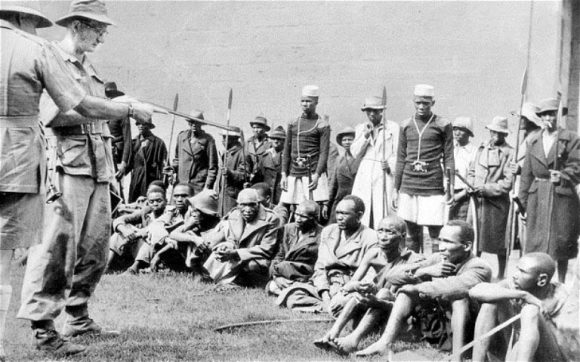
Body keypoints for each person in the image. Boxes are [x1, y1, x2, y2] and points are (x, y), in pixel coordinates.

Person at [11, 1, 156, 356]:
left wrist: (117, 105)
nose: (103, 37)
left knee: (96, 248)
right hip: (66, 168)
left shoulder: (88, 67)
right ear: (78, 25)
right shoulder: (48, 58)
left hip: (98, 168)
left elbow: (94, 109)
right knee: (56, 249)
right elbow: (53, 115)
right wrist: (120, 109)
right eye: (99, 29)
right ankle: (43, 329)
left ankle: (77, 316)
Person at [356, 220, 491, 360]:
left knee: (459, 300)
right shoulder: (439, 258)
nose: (441, 247)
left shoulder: (479, 267)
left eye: (448, 242)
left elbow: (449, 288)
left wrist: (415, 288)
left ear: (467, 246)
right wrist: (423, 271)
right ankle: (385, 342)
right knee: (407, 293)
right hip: (441, 326)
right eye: (440, 240)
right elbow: (391, 275)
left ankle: (458, 357)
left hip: (469, 332)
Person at [313, 215, 425, 354]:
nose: (383, 237)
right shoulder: (374, 254)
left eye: (389, 232)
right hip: (375, 310)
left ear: (402, 236)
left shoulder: (412, 259)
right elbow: (352, 283)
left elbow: (411, 301)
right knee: (362, 294)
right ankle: (331, 334)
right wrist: (358, 287)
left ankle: (353, 340)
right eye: (380, 231)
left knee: (384, 293)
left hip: (396, 315)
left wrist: (379, 299)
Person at [277, 196, 378, 315]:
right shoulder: (329, 231)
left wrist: (346, 291)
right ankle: (331, 309)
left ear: (359, 215)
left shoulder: (371, 237)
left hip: (350, 288)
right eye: (338, 213)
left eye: (345, 214)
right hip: (328, 285)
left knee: (350, 301)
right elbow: (320, 267)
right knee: (293, 295)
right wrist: (325, 294)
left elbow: (370, 275)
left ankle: (337, 309)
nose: (339, 217)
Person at [519, 98, 580, 283]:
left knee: (560, 241)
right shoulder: (534, 140)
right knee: (537, 241)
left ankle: (560, 282)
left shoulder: (570, 138)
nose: (548, 118)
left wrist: (563, 175)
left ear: (557, 115)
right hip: (537, 196)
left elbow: (577, 166)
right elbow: (526, 174)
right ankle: (537, 281)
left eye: (551, 114)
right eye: (544, 114)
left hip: (561, 196)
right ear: (540, 118)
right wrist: (522, 203)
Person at [470, 253, 569, 361]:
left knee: (530, 311)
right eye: (517, 269)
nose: (515, 275)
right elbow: (474, 291)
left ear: (542, 280)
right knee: (491, 301)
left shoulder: (561, 297)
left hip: (548, 355)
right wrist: (523, 295)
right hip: (519, 350)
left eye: (522, 272)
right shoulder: (516, 285)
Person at [393, 84, 454, 253]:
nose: (421, 106)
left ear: (432, 103)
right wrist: (395, 189)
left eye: (425, 103)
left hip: (432, 184)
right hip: (409, 183)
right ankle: (414, 266)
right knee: (410, 230)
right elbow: (400, 158)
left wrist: (450, 188)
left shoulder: (443, 124)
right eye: (418, 102)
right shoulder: (405, 125)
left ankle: (436, 267)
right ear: (413, 101)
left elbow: (449, 158)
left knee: (435, 230)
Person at [203, 188, 280, 287]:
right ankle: (214, 277)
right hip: (237, 254)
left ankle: (243, 281)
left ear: (258, 204)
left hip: (257, 257)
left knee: (251, 266)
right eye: (243, 205)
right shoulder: (234, 214)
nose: (247, 209)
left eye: (252, 205)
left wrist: (235, 253)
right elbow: (232, 240)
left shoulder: (271, 219)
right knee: (217, 253)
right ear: (238, 204)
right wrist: (226, 247)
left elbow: (266, 249)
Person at [467, 116, 513, 279]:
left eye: (498, 133)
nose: (494, 135)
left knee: (499, 241)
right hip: (478, 203)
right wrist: (471, 185)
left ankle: (501, 275)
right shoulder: (482, 149)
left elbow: (507, 183)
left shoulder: (509, 153)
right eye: (492, 132)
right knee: (475, 239)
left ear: (504, 135)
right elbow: (472, 170)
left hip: (496, 204)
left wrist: (486, 189)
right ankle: (474, 271)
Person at [351, 96, 399, 227]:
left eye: (375, 110)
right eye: (368, 110)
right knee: (364, 205)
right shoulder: (361, 128)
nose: (372, 114)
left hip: (383, 170)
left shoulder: (393, 128)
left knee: (382, 206)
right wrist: (365, 136)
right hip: (365, 170)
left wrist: (390, 165)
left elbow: (397, 152)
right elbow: (355, 152)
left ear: (382, 111)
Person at [280, 85, 331, 208]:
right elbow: (286, 150)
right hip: (293, 172)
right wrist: (283, 175)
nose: (305, 104)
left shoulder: (322, 125)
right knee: (291, 208)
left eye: (308, 101)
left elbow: (324, 153)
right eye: (302, 101)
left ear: (316, 102)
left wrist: (317, 176)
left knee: (312, 208)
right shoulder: (293, 122)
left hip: (312, 172)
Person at [107, 185, 168, 273]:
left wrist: (135, 234)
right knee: (119, 234)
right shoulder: (146, 211)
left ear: (166, 201)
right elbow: (119, 219)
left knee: (149, 239)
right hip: (140, 250)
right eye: (151, 201)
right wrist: (125, 231)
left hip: (156, 251)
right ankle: (106, 265)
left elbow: (155, 228)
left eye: (159, 201)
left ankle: (133, 269)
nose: (155, 204)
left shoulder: (169, 213)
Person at [266, 200, 322, 295]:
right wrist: (276, 277)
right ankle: (291, 290)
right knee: (273, 285)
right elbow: (279, 255)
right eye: (296, 214)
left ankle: (294, 290)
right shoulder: (288, 228)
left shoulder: (321, 235)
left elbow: (318, 265)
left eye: (303, 216)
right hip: (282, 273)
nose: (298, 219)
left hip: (303, 274)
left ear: (314, 218)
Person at [507, 102, 542, 254]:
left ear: (529, 119)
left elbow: (540, 164)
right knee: (522, 228)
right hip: (521, 187)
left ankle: (530, 262)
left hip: (531, 188)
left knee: (528, 227)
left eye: (522, 117)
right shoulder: (526, 137)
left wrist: (521, 169)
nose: (518, 120)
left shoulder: (536, 137)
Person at [162, 189, 221, 275]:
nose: (193, 213)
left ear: (206, 212)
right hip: (196, 259)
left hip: (212, 261)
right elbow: (173, 234)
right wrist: (193, 238)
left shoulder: (219, 225)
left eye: (197, 211)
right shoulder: (195, 221)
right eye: (193, 210)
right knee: (185, 235)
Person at [171, 109, 218, 194]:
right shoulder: (181, 137)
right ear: (188, 122)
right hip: (181, 184)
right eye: (191, 122)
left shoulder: (208, 140)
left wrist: (207, 187)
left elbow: (213, 168)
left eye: (197, 122)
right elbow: (177, 159)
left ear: (201, 124)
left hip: (198, 185)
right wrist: (172, 169)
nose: (194, 125)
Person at [126, 116, 167, 202]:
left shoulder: (158, 143)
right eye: (138, 123)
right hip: (136, 179)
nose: (140, 126)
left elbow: (164, 166)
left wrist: (163, 184)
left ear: (148, 126)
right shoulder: (133, 142)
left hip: (150, 179)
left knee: (149, 203)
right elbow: (128, 163)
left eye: (143, 124)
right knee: (133, 203)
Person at [215, 127, 250, 215]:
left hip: (232, 196)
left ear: (233, 139)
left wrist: (230, 173)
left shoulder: (242, 154)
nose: (222, 140)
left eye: (225, 138)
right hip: (221, 193)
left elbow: (245, 175)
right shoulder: (226, 153)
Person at [328, 127, 359, 223]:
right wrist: (328, 202)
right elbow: (333, 182)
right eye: (344, 140)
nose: (347, 142)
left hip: (355, 196)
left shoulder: (360, 159)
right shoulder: (338, 159)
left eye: (350, 139)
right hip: (340, 197)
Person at [104, 81, 132, 181]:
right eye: (107, 95)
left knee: (117, 189)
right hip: (102, 156)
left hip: (117, 158)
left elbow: (128, 140)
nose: (109, 98)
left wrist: (124, 163)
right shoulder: (99, 113)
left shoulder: (122, 112)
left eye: (112, 96)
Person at [450, 117, 476, 221]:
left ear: (468, 133)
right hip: (448, 194)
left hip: (464, 198)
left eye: (461, 130)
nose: (457, 132)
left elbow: (473, 178)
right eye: (455, 129)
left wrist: (460, 195)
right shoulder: (450, 149)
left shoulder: (474, 152)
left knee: (461, 229)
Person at [253, 125, 285, 205]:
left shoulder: (288, 157)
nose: (276, 141)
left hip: (282, 195)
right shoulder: (265, 156)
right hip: (267, 195)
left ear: (284, 141)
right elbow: (259, 176)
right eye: (274, 138)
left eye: (279, 139)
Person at [245, 116, 271, 181]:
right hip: (249, 178)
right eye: (254, 127)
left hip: (263, 178)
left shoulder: (270, 143)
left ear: (264, 129)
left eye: (258, 127)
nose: (255, 130)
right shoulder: (248, 142)